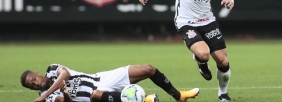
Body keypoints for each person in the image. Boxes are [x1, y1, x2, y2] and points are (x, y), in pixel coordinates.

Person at [138, 0, 234, 102]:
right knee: (203, 54)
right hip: (186, 22)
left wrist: (228, 0)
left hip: (208, 21)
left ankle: (223, 94)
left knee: (223, 61)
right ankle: (200, 62)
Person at [20, 63, 200, 102]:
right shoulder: (49, 100)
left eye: (33, 79)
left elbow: (64, 74)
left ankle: (179, 96)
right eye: (31, 85)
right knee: (96, 95)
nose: (35, 84)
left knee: (148, 69)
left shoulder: (52, 69)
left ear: (37, 73)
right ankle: (144, 100)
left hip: (100, 78)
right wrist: (65, 94)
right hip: (92, 99)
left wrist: (46, 94)